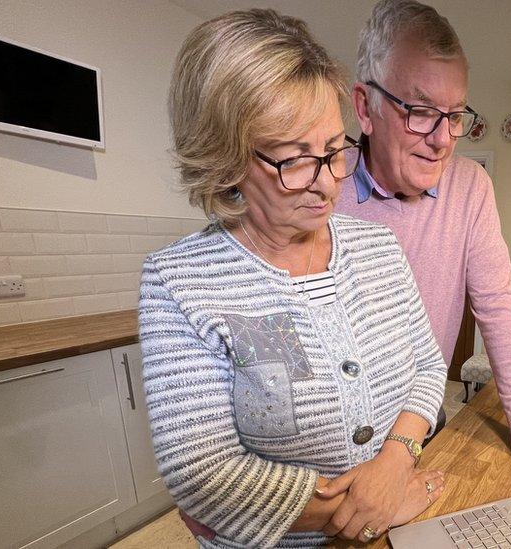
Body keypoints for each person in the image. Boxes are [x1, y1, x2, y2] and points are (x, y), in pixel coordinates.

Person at [139, 9, 447, 547]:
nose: (327, 183)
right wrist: (369, 506)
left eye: (334, 151)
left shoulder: (378, 248)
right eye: (294, 160)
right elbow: (203, 474)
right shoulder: (179, 282)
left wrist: (397, 459)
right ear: (226, 161)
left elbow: (426, 365)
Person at [335, 0, 511, 469]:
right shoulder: (323, 187)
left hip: (420, 420)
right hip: (331, 437)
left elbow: (495, 304)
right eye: (420, 110)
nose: (442, 139)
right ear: (365, 107)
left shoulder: (471, 185)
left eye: (453, 115)